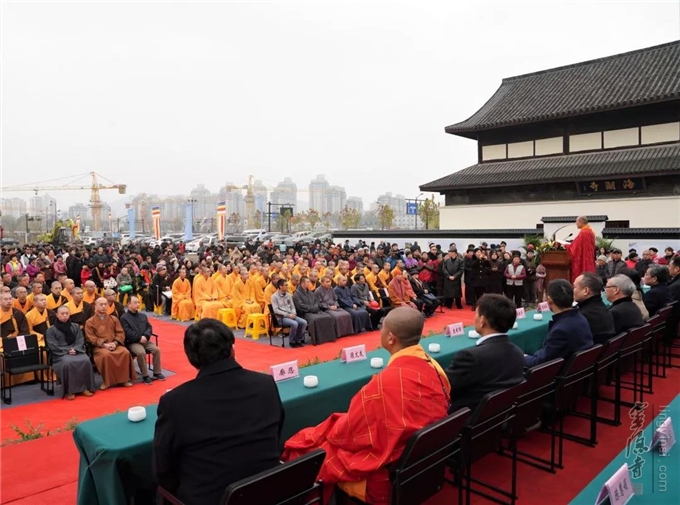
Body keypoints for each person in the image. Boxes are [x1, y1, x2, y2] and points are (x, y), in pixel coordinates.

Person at [282, 307, 450, 504]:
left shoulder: (384, 383)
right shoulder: (434, 368)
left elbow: (348, 434)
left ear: (390, 338)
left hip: (390, 468)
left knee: (304, 448)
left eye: (382, 329)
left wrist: (328, 428)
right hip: (422, 457)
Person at [153, 319, 284, 505]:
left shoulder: (176, 402)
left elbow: (163, 468)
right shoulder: (265, 384)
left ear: (191, 358)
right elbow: (276, 436)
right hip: (267, 490)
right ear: (232, 349)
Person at [446, 294, 525, 412]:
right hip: (500, 415)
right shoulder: (518, 352)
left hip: (468, 419)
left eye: (476, 314)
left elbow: (445, 387)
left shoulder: (470, 357)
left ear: (482, 320)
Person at [525, 279, 594, 367]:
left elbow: (540, 363)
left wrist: (522, 357)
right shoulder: (581, 318)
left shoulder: (560, 331)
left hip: (565, 375)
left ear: (549, 300)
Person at [45, 305, 96, 400]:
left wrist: (75, 349)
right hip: (60, 354)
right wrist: (67, 350)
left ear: (69, 314)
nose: (65, 315)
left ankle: (84, 388)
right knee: (68, 363)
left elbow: (80, 340)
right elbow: (53, 345)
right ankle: (70, 390)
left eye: (66, 313)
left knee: (85, 360)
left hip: (76, 350)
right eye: (62, 314)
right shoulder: (51, 330)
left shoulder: (75, 326)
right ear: (57, 315)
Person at [84, 298, 136, 390]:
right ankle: (106, 381)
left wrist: (115, 343)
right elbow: (91, 337)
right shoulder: (89, 322)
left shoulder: (114, 319)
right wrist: (104, 344)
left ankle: (123, 380)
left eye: (105, 304)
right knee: (106, 355)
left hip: (114, 344)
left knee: (125, 352)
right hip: (100, 347)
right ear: (95, 306)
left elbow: (120, 333)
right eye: (101, 304)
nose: (104, 306)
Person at [120, 296, 165, 384]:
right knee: (141, 352)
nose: (138, 304)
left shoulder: (143, 316)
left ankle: (157, 372)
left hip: (145, 339)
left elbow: (149, 327)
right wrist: (139, 338)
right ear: (129, 304)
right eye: (135, 302)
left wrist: (145, 336)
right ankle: (145, 375)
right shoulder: (124, 318)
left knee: (156, 350)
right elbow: (127, 332)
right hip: (133, 342)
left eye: (138, 302)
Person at [573, 272, 616, 344]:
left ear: (586, 291)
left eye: (574, 287)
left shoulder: (582, 317)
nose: (573, 290)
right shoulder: (604, 308)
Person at [293, 276, 337, 344]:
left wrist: (315, 307)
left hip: (315, 310)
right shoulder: (297, 293)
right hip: (305, 313)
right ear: (302, 283)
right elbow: (300, 306)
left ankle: (327, 337)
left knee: (328, 317)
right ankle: (318, 339)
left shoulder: (309, 292)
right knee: (315, 320)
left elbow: (317, 301)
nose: (309, 283)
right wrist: (312, 308)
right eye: (307, 282)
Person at [271, 279, 308, 347]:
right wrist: (288, 315)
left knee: (304, 322)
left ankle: (298, 339)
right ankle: (292, 341)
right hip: (281, 317)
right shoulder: (274, 297)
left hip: (291, 315)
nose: (287, 286)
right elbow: (276, 310)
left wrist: (293, 313)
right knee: (294, 323)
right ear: (280, 286)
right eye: (286, 285)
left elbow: (292, 306)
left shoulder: (288, 295)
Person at [565, 216, 596, 282]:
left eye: (576, 221)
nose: (576, 223)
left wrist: (565, 245)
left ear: (581, 222)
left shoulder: (584, 233)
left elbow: (575, 247)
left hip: (583, 260)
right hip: (589, 259)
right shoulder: (590, 231)